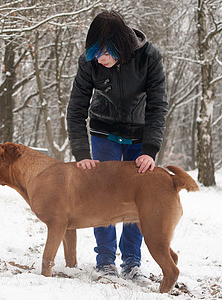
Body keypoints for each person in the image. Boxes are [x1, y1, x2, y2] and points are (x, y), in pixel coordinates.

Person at [66, 10, 168, 285]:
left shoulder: (150, 56)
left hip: (139, 138)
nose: (99, 59)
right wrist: (82, 153)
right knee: (103, 197)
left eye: (104, 52)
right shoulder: (89, 63)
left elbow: (158, 105)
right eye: (94, 52)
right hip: (104, 133)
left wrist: (150, 149)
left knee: (137, 199)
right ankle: (105, 261)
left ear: (120, 46)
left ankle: (132, 262)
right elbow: (76, 109)